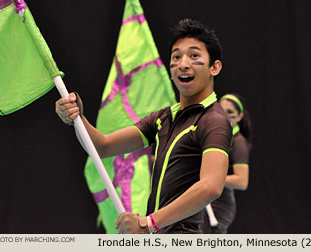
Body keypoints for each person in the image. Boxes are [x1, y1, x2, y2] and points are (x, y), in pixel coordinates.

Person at [55, 19, 232, 234]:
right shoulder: (163, 118)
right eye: (176, 57)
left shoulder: (214, 120)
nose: (183, 64)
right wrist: (78, 117)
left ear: (215, 67)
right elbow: (103, 146)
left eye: (194, 56)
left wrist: (149, 223)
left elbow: (211, 186)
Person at [201, 93, 252, 234]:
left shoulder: (238, 142)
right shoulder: (215, 137)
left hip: (218, 206)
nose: (224, 115)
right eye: (221, 110)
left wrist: (208, 180)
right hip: (204, 201)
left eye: (230, 112)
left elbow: (242, 181)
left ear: (240, 116)